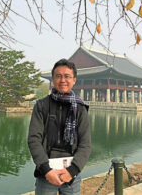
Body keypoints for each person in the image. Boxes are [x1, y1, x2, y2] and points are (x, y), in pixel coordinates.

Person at [28, 59, 91, 194]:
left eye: (67, 76)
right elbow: (34, 139)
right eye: (58, 76)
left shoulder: (80, 108)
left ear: (74, 80)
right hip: (46, 173)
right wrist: (46, 170)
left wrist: (72, 171)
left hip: (71, 173)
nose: (62, 80)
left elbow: (85, 144)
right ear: (52, 79)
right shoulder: (41, 105)